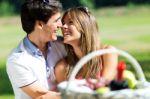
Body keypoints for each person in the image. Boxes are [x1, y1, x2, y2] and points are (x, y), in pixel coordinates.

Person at [6, 0, 66, 99]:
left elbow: (97, 49)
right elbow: (42, 96)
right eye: (56, 21)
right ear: (40, 24)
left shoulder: (62, 45)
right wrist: (80, 95)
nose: (60, 25)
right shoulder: (17, 60)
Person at [55, 7, 118, 84]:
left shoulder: (107, 53)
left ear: (85, 26)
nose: (63, 26)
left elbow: (105, 85)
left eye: (70, 22)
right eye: (63, 23)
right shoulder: (62, 67)